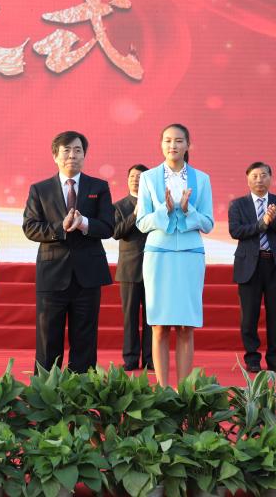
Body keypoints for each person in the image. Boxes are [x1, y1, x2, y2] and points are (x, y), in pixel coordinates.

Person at [23, 131, 114, 374]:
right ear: (55, 156)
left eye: (77, 150)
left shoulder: (99, 187)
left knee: (85, 340)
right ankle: (44, 391)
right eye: (66, 150)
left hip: (88, 275)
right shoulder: (40, 189)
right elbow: (30, 227)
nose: (72, 155)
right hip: (52, 274)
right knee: (47, 340)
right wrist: (59, 228)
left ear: (84, 155)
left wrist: (84, 223)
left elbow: (108, 227)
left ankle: (81, 391)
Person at [136, 124, 214, 386]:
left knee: (186, 326)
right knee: (159, 326)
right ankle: (161, 390)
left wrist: (188, 210)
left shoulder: (202, 179)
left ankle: (183, 392)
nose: (173, 145)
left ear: (188, 145)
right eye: (168, 140)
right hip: (159, 255)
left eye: (179, 140)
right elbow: (141, 223)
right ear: (161, 144)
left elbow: (208, 223)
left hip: (190, 255)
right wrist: (164, 210)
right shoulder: (148, 178)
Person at [228, 162, 276, 372]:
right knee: (249, 316)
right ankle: (252, 358)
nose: (260, 180)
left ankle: (275, 359)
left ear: (271, 178)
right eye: (255, 176)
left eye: (264, 175)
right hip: (250, 265)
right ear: (248, 179)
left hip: (275, 265)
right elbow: (236, 231)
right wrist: (262, 224)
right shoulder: (238, 204)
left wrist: (272, 221)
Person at [113, 164, 151, 372]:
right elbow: (117, 232)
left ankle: (150, 358)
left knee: (151, 317)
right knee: (130, 316)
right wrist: (135, 214)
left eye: (140, 177)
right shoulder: (119, 206)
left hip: (154, 267)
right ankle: (130, 358)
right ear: (127, 180)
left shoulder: (155, 204)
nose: (136, 180)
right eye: (132, 176)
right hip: (129, 268)